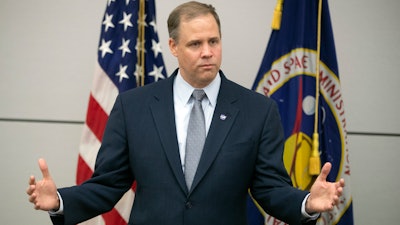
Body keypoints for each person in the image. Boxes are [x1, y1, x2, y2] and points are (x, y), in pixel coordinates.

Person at [27, 1, 344, 225]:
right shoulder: (132, 107)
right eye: (195, 44)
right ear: (173, 47)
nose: (207, 52)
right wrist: (60, 202)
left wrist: (306, 203)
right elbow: (109, 184)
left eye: (214, 41)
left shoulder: (258, 111)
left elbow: (269, 189)